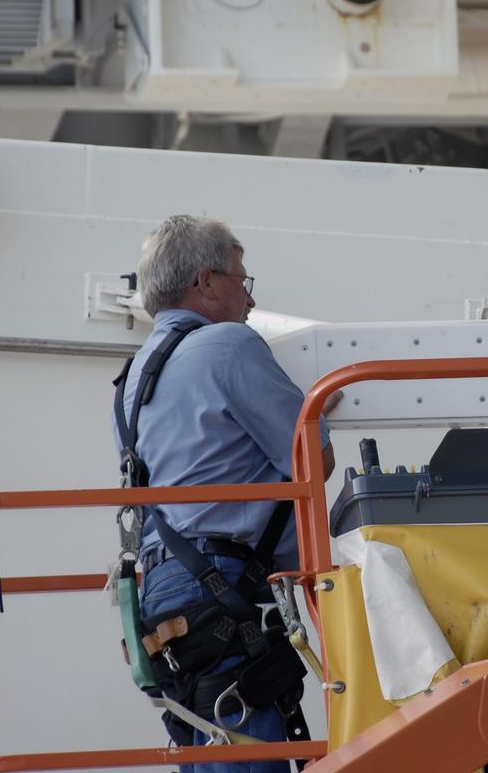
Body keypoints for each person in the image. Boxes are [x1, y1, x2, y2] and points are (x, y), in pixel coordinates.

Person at [113, 214, 338, 772]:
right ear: (207, 281)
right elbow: (315, 461)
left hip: (164, 590)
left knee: (208, 743)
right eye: (242, 281)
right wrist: (310, 409)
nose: (249, 299)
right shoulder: (228, 345)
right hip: (225, 586)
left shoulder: (130, 382)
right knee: (247, 745)